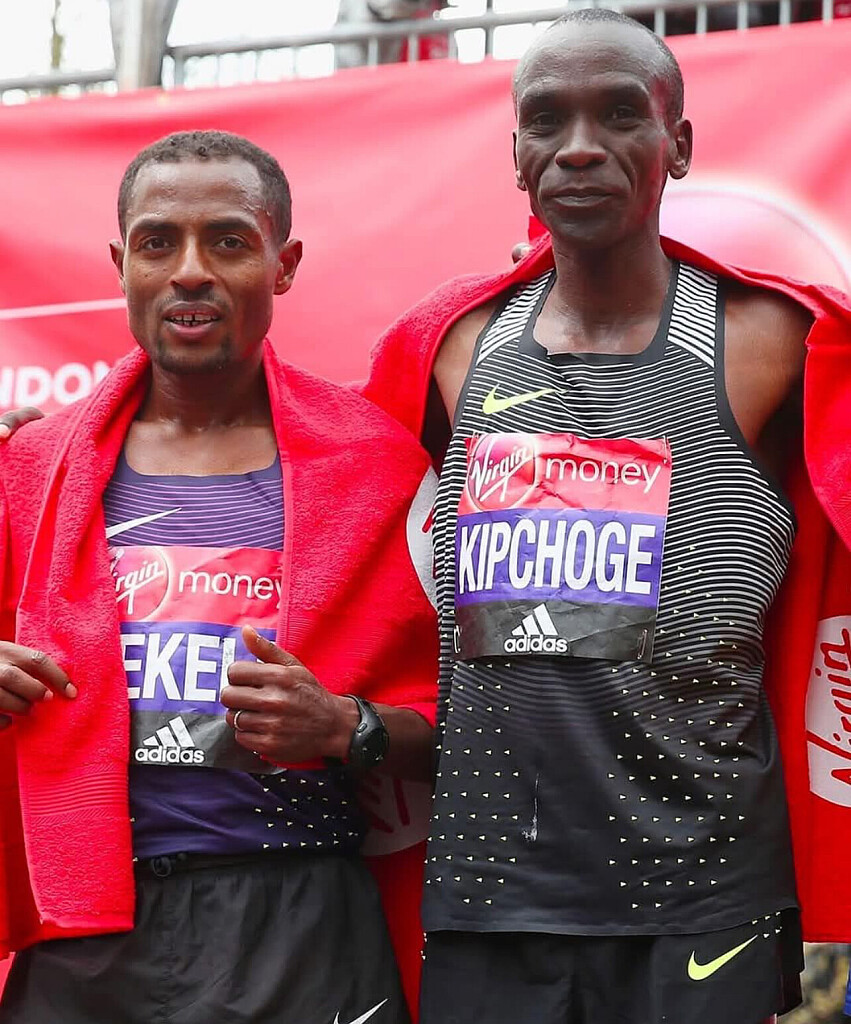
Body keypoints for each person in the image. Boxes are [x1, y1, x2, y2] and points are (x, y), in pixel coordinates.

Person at [361, 10, 851, 1024]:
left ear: (678, 144)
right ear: (515, 154)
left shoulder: (772, 340)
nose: (579, 147)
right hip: (489, 896)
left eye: (620, 114)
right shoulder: (449, 347)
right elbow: (326, 508)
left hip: (703, 896)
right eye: (547, 119)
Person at [0, 130, 438, 1024]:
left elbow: (478, 723)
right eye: (158, 243)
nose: (190, 272)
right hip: (84, 937)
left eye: (228, 242)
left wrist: (346, 725)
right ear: (121, 266)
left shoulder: (377, 467)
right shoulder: (33, 467)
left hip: (299, 922)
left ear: (284, 264)